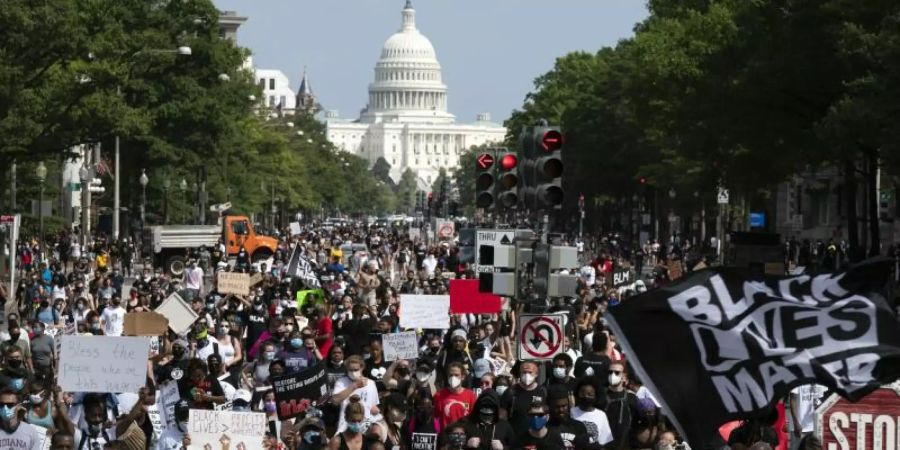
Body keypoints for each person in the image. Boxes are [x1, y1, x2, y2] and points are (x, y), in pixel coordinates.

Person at [331, 356, 380, 433]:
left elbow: (373, 409)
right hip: (345, 428)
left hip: (365, 429)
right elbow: (334, 400)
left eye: (356, 370)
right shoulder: (341, 382)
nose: (353, 373)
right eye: (350, 370)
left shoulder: (371, 384)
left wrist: (368, 424)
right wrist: (354, 386)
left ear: (362, 367)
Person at [547, 386, 600, 450]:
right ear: (550, 406)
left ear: (568, 404)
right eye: (557, 407)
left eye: (564, 406)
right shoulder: (545, 429)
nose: (561, 410)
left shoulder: (578, 426)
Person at [499, 361, 546, 431]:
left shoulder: (543, 391)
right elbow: (502, 417)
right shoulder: (510, 391)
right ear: (520, 373)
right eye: (524, 372)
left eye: (530, 372)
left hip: (537, 436)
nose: (527, 375)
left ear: (536, 374)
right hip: (515, 436)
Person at [605, 362, 640, 450]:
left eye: (617, 373)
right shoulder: (600, 396)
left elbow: (638, 422)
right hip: (604, 444)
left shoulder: (632, 398)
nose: (612, 375)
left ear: (624, 377)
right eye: (610, 372)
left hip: (625, 444)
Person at [570, 377, 613, 448]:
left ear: (596, 396)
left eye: (590, 394)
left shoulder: (601, 415)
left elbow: (604, 441)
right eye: (582, 394)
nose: (586, 396)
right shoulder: (571, 412)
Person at [433, 363, 476, 428]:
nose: (453, 378)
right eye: (450, 375)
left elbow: (474, 419)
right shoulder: (439, 395)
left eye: (456, 375)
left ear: (463, 377)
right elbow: (435, 418)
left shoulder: (471, 395)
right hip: (446, 435)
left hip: (464, 434)